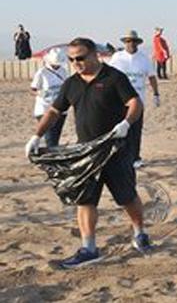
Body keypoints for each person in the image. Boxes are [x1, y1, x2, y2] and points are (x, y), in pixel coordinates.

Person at [25, 37, 151, 269]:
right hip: (86, 153)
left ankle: (140, 233)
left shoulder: (114, 78)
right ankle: (89, 248)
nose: (76, 63)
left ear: (94, 55)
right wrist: (37, 135)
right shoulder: (72, 83)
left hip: (115, 150)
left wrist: (125, 124)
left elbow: (135, 104)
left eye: (81, 58)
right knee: (85, 200)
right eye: (72, 59)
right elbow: (54, 111)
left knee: (127, 197)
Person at [109, 30, 160, 169]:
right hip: (119, 101)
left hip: (138, 101)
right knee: (119, 130)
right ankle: (119, 157)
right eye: (128, 41)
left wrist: (156, 94)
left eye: (133, 41)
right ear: (124, 42)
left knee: (135, 131)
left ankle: (135, 157)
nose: (130, 44)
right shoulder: (117, 58)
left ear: (137, 43)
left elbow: (151, 77)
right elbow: (109, 76)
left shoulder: (144, 59)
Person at [30, 48, 69, 147]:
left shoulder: (63, 71)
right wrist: (41, 94)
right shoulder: (42, 72)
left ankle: (52, 157)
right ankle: (51, 159)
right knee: (50, 136)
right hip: (44, 108)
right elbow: (33, 89)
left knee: (55, 136)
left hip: (60, 108)